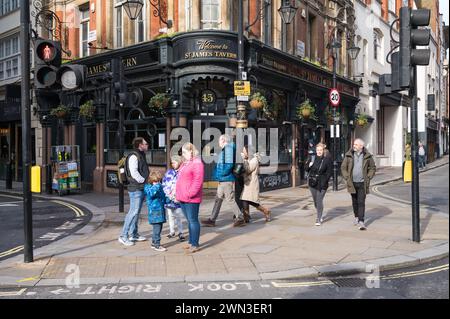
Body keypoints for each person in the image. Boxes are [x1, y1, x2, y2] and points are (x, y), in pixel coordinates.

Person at [201, 134, 246, 227]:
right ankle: (212, 220)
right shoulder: (226, 149)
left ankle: (240, 218)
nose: (218, 142)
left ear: (224, 140)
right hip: (223, 179)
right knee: (218, 199)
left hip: (226, 179)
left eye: (219, 140)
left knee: (230, 199)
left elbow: (229, 164)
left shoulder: (228, 149)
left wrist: (222, 174)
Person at [118, 137, 149, 246]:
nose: (147, 144)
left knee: (137, 211)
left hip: (139, 187)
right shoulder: (133, 156)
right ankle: (123, 236)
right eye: (145, 143)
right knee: (133, 211)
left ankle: (133, 234)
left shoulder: (140, 154)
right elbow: (134, 173)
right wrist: (144, 180)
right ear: (140, 145)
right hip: (135, 188)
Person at [341, 138, 376, 231]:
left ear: (361, 146)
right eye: (354, 144)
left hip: (362, 183)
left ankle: (361, 221)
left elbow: (372, 167)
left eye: (356, 144)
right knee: (354, 201)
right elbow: (343, 167)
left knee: (361, 202)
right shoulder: (348, 155)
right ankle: (356, 216)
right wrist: (347, 177)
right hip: (352, 183)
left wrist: (368, 177)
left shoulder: (367, 156)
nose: (354, 146)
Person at [176, 143, 204, 253]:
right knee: (189, 220)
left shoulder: (197, 163)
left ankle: (195, 244)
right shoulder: (186, 163)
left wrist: (190, 194)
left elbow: (197, 181)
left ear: (191, 151)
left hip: (191, 198)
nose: (182, 154)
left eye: (184, 152)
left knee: (193, 220)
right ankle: (191, 242)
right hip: (183, 197)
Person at [240, 145, 271, 223]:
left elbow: (248, 170)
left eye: (244, 151)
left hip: (252, 184)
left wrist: (244, 160)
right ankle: (246, 217)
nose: (243, 152)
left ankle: (265, 211)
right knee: (245, 200)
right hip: (248, 183)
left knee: (251, 201)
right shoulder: (250, 159)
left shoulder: (254, 160)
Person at [305, 143, 332, 226]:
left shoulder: (327, 159)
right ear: (315, 151)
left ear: (323, 151)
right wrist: (309, 166)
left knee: (319, 200)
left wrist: (325, 180)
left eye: (320, 150)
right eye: (317, 150)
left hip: (322, 183)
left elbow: (329, 172)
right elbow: (306, 169)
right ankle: (319, 212)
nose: (319, 152)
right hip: (312, 182)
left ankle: (318, 218)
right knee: (315, 201)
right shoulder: (312, 158)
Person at [162, 155, 185, 242]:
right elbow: (164, 183)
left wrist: (177, 194)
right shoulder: (169, 172)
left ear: (179, 162)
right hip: (169, 198)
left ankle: (180, 232)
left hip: (178, 198)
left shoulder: (182, 173)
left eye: (174, 162)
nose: (173, 164)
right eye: (172, 162)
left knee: (178, 216)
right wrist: (168, 193)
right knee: (170, 216)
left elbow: (183, 185)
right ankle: (172, 231)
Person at [144, 171, 169, 252]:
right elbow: (151, 194)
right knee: (157, 228)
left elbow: (163, 197)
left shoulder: (158, 187)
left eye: (158, 181)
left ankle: (154, 242)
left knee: (159, 227)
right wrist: (157, 186)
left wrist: (170, 200)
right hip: (154, 211)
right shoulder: (148, 187)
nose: (157, 183)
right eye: (155, 181)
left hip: (160, 210)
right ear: (151, 181)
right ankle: (157, 245)